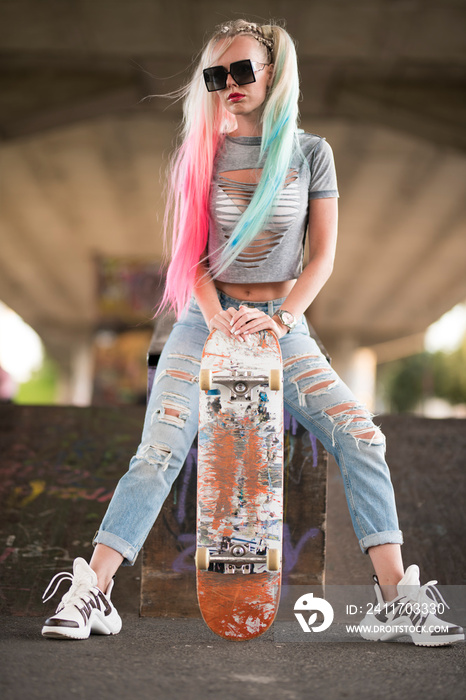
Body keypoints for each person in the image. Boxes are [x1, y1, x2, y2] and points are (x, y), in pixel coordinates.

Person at [41, 19, 463, 646]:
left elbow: (321, 257)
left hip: (283, 325)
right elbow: (189, 259)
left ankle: (394, 597)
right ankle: (92, 592)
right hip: (203, 319)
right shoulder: (200, 154)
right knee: (159, 445)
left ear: (272, 74)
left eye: (242, 71)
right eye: (217, 76)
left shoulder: (309, 153)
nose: (229, 85)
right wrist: (219, 320)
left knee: (363, 437)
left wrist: (281, 320)